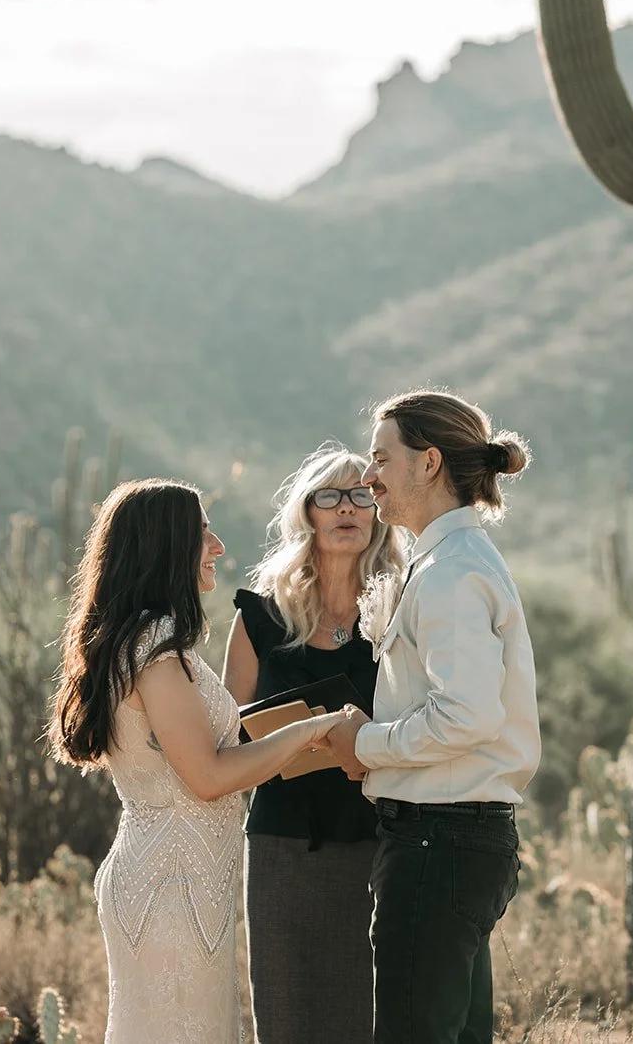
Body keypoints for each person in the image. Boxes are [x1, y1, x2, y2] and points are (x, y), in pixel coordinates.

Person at [48, 478, 347, 1044]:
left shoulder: (142, 640)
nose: (217, 546)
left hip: (178, 882)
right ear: (167, 547)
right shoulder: (156, 646)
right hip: (172, 889)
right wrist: (311, 729)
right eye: (202, 532)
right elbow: (208, 778)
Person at [324, 390, 540, 1044]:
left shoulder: (450, 573)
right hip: (452, 842)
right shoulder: (452, 561)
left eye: (380, 457)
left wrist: (364, 741)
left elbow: (466, 715)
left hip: (436, 844)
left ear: (429, 462)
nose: (368, 477)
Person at [221, 443, 406, 1044]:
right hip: (280, 843)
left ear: (379, 510)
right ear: (308, 513)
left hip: (381, 840)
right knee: (286, 1014)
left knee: (366, 1016)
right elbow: (228, 736)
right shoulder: (259, 619)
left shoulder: (406, 610)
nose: (347, 508)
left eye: (362, 494)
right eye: (330, 496)